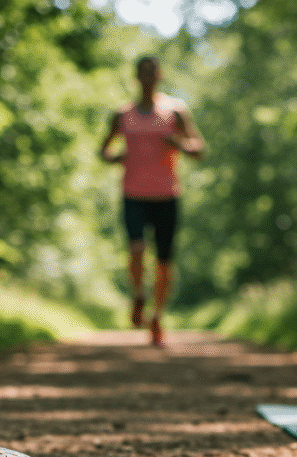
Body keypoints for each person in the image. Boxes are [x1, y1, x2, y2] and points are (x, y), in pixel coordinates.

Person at [99, 55, 205, 347]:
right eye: (142, 71)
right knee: (136, 247)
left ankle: (157, 315)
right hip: (132, 194)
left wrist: (179, 144)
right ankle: (139, 295)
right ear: (136, 76)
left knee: (164, 261)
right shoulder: (122, 115)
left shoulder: (175, 111)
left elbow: (199, 149)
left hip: (167, 195)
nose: (147, 76)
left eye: (152, 71)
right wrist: (116, 157)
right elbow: (104, 151)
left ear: (159, 75)